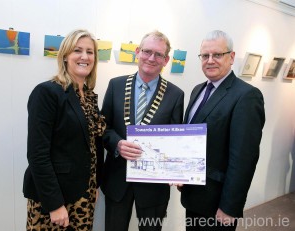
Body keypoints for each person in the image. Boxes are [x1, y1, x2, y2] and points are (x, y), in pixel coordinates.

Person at [180, 30, 265, 230]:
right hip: (193, 197)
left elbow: (244, 159)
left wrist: (230, 207)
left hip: (218, 205)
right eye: (205, 55)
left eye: (217, 55)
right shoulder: (198, 89)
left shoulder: (246, 96)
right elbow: (190, 141)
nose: (210, 61)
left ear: (231, 57)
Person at [23, 29, 106, 230]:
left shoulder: (89, 96)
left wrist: (94, 186)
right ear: (65, 56)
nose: (85, 57)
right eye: (78, 50)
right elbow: (37, 154)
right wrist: (55, 204)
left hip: (84, 197)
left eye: (90, 51)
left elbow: (93, 146)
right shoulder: (47, 92)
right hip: (54, 199)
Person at [101, 30, 184, 231]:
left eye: (159, 55)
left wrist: (179, 169)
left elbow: (175, 141)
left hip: (154, 186)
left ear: (166, 60)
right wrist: (117, 144)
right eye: (147, 51)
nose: (151, 58)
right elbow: (104, 128)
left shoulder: (175, 95)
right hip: (117, 179)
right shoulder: (116, 85)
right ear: (137, 52)